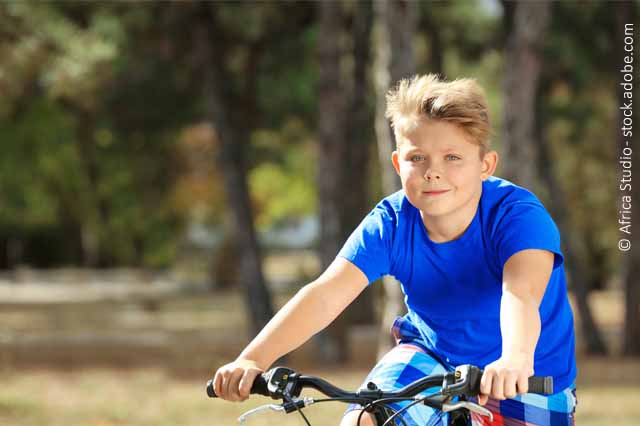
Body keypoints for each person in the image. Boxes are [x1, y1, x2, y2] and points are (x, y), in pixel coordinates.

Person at [213, 74, 577, 426]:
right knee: (366, 418)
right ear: (397, 163)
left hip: (527, 375)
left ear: (485, 165)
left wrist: (515, 358)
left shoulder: (518, 216)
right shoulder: (390, 223)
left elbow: (521, 293)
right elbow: (326, 294)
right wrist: (252, 359)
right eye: (417, 158)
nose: (433, 172)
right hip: (432, 360)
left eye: (453, 157)